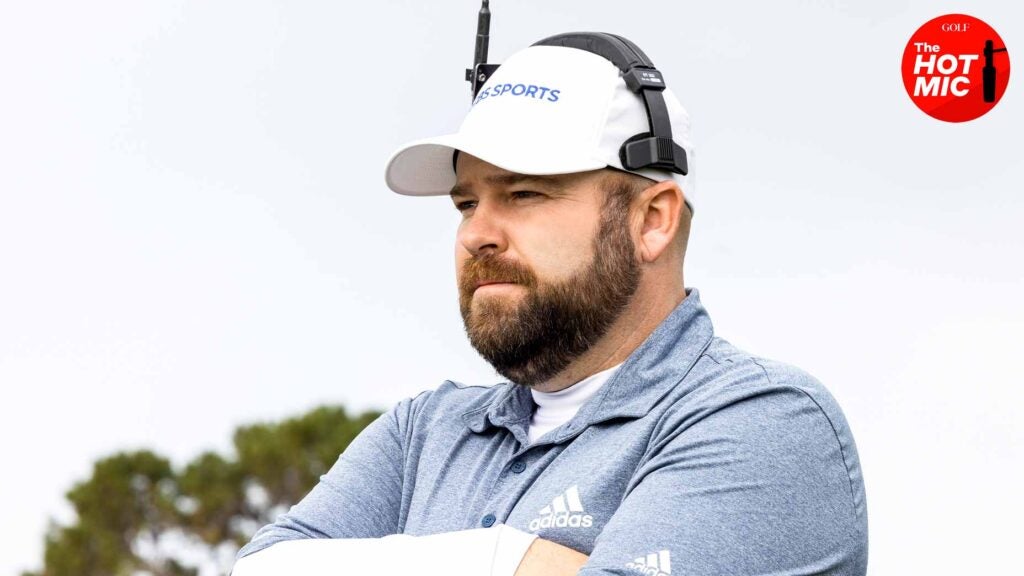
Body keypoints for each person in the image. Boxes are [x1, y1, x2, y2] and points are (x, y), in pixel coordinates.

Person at [232, 34, 868, 576]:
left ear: (652, 220)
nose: (476, 233)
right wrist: (518, 561)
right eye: (466, 203)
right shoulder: (423, 433)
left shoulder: (765, 421)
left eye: (525, 193)